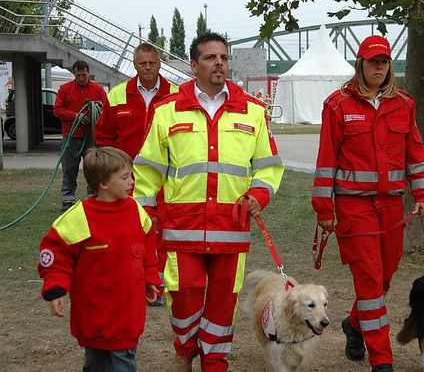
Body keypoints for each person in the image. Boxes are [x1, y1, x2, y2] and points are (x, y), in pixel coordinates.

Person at [133, 32, 284, 372]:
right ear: (193, 65)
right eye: (210, 57)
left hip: (231, 227)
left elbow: (269, 167)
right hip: (181, 228)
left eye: (224, 58)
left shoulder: (253, 112)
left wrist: (259, 194)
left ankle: (215, 361)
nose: (219, 63)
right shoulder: (167, 112)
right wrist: (146, 213)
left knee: (223, 300)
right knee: (183, 292)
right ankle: (185, 351)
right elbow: (146, 170)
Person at [311, 35, 424, 372]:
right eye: (372, 62)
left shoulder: (404, 104)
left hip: (392, 208)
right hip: (354, 209)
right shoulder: (338, 105)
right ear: (361, 64)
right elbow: (326, 161)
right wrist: (325, 208)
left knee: (383, 278)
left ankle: (354, 324)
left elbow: (417, 157)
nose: (378, 67)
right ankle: (382, 360)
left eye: (384, 62)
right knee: (369, 282)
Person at [37, 146, 159, 372]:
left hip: (126, 315)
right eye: (124, 177)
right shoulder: (80, 217)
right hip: (93, 316)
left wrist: (150, 278)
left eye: (131, 175)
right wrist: (56, 288)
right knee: (95, 364)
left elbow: (148, 250)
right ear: (103, 183)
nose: (132, 181)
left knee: (123, 363)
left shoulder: (136, 212)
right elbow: (56, 253)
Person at [95, 43, 178, 307]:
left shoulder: (177, 95)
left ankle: (156, 285)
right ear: (134, 64)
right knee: (127, 231)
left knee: (162, 231)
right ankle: (128, 283)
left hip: (163, 178)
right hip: (125, 179)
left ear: (160, 63)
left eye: (152, 63)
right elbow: (103, 136)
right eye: (143, 63)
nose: (148, 68)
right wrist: (114, 166)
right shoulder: (117, 95)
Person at [53, 60, 108, 211]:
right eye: (78, 75)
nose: (82, 78)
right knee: (69, 170)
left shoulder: (98, 89)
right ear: (74, 74)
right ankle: (67, 201)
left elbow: (106, 110)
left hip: (91, 138)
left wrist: (95, 111)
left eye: (84, 75)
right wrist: (75, 116)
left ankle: (93, 199)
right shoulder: (65, 89)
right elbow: (57, 110)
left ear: (88, 73)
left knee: (93, 170)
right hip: (71, 138)